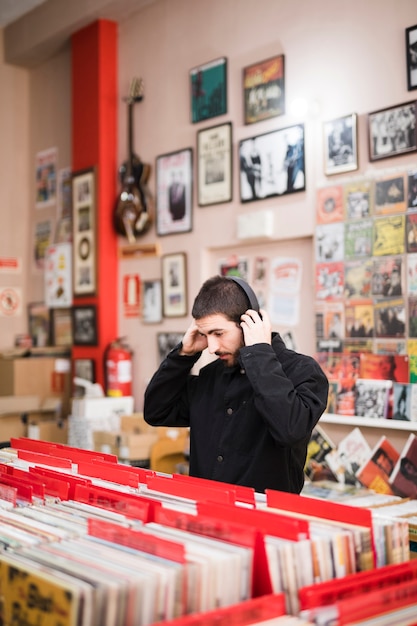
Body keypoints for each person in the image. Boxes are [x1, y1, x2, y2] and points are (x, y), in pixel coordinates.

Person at [144, 275, 329, 494]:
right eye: (205, 335)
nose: (211, 347)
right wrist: (182, 356)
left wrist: (259, 352)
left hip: (268, 520)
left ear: (249, 324)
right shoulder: (210, 376)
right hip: (207, 514)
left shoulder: (302, 371)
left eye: (218, 333)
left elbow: (289, 430)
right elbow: (156, 411)